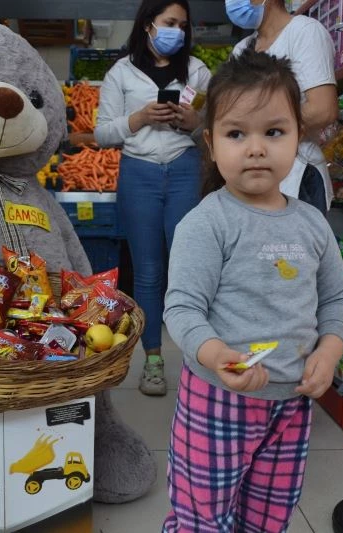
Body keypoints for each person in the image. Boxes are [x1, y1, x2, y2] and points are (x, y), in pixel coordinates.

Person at [162, 50, 343, 532]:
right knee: (202, 518)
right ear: (210, 143)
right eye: (235, 134)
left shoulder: (313, 223)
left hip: (292, 404)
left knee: (269, 518)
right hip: (217, 400)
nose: (256, 148)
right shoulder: (207, 222)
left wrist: (329, 352)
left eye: (274, 131)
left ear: (298, 137)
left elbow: (336, 300)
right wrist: (215, 354)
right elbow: (183, 308)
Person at [94, 0, 211, 396]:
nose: (176, 30)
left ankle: (200, 358)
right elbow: (102, 134)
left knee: (189, 268)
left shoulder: (197, 71)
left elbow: (216, 131)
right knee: (147, 272)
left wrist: (195, 124)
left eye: (182, 24)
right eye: (168, 22)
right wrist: (139, 118)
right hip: (139, 174)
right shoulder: (120, 73)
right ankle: (154, 360)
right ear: (148, 25)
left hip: (184, 169)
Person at [226, 0, 339, 213]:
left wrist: (259, 130)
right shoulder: (241, 50)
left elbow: (323, 109)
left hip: (296, 175)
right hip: (253, 176)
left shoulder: (304, 32)